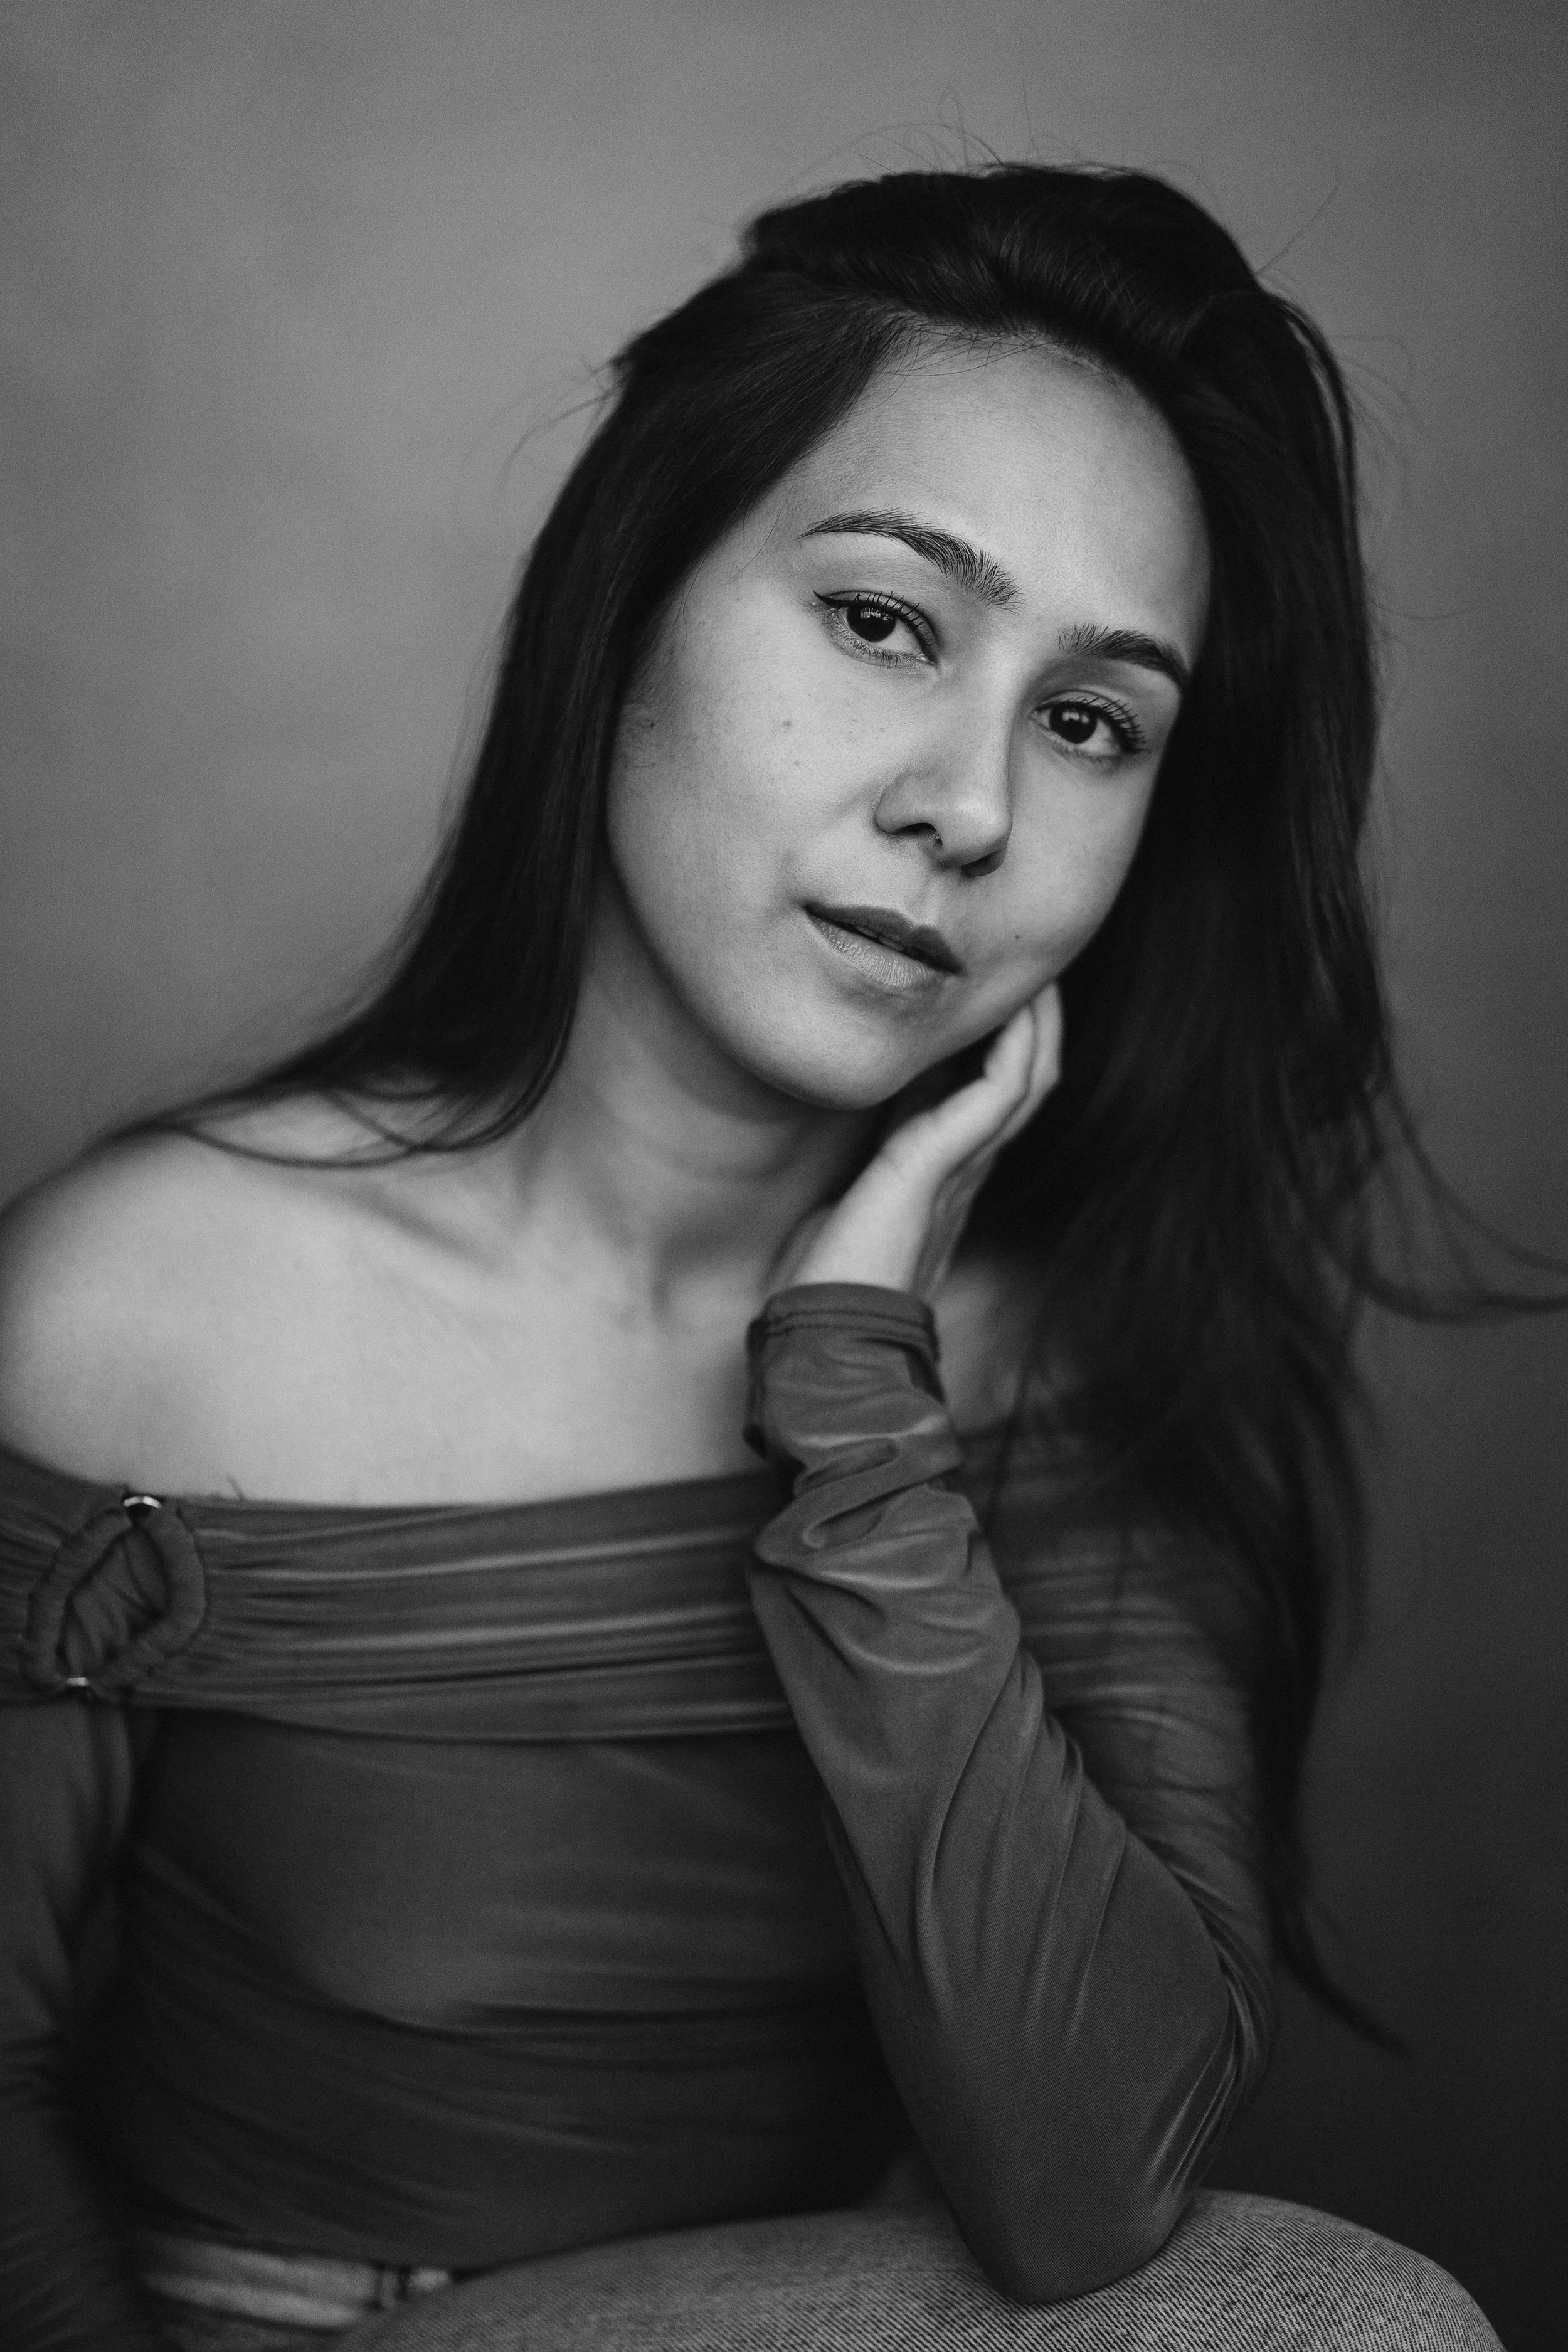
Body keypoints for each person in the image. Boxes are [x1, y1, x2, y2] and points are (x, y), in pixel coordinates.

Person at [0, 164, 1503, 2350]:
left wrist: (853, 1393)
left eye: (1091, 720)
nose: (967, 804)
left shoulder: (1070, 1358)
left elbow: (1087, 2186)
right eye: (885, 618)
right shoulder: (142, 1305)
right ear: (629, 597)